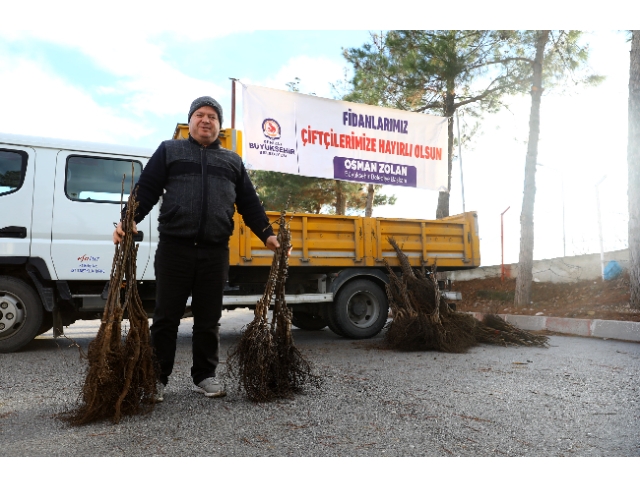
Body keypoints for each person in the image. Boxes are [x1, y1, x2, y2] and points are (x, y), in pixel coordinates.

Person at [113, 96, 279, 401]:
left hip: (215, 252)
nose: (206, 120)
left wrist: (267, 234)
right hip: (175, 248)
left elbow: (250, 203)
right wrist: (128, 219)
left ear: (219, 125)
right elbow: (146, 188)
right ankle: (156, 378)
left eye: (213, 117)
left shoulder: (232, 161)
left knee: (208, 319)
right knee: (166, 318)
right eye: (200, 115)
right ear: (190, 121)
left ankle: (205, 376)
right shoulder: (170, 150)